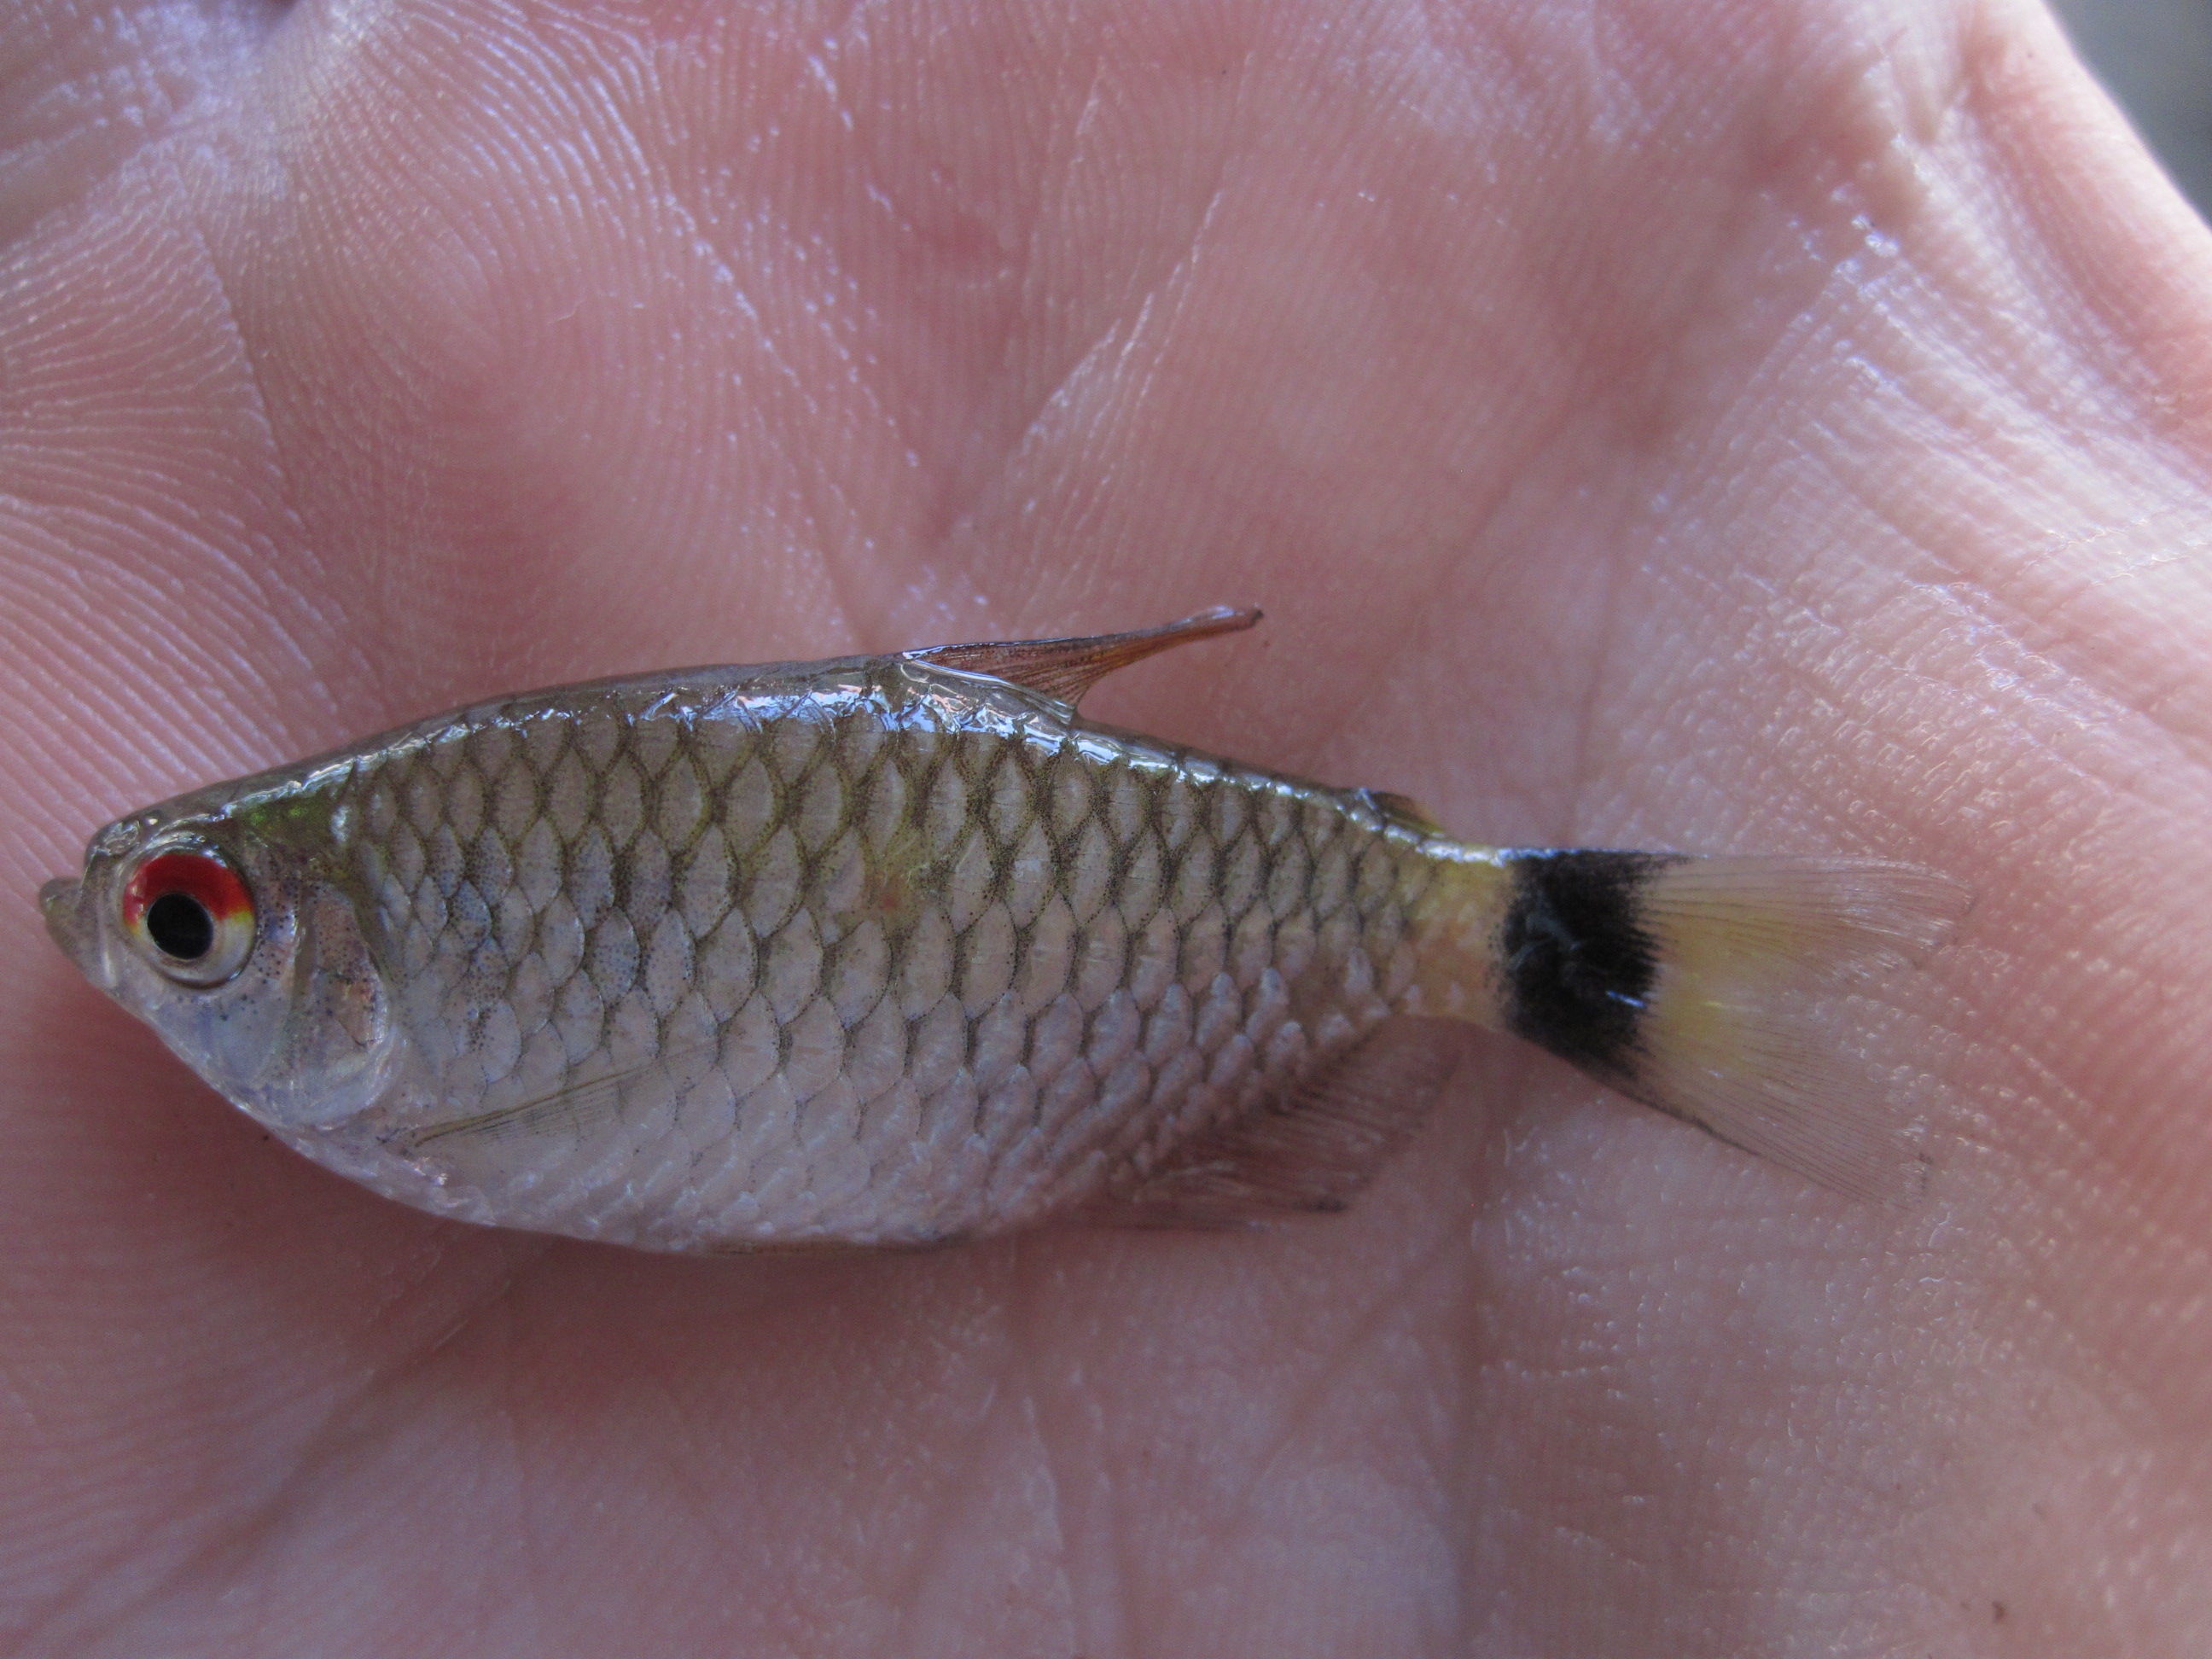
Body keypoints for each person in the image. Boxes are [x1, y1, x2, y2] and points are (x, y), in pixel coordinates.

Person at [3, 1, 2206, 1651]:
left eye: (188, 919)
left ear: (348, 931)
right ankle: (1527, 942)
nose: (137, 948)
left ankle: (1549, 948)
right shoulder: (451, 1011)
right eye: (178, 919)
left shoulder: (448, 1045)